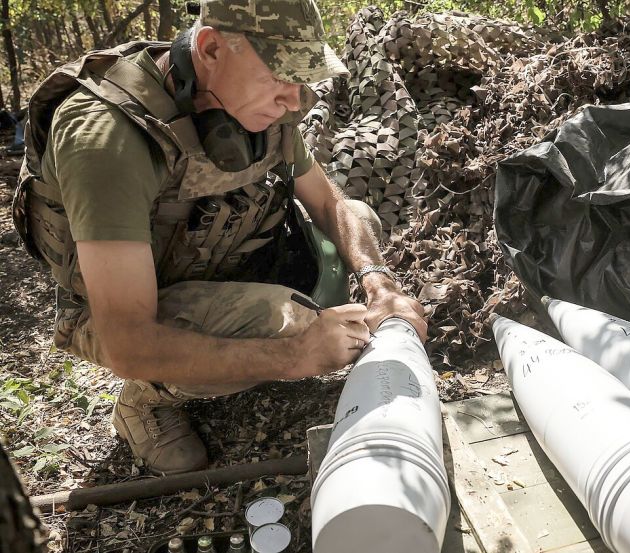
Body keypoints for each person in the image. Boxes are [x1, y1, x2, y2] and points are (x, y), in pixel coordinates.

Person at [12, 0, 427, 474]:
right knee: (286, 324)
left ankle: (243, 337)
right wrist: (293, 355)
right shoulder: (109, 136)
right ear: (210, 47)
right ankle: (143, 402)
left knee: (359, 216)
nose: (295, 101)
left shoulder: (264, 104)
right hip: (125, 309)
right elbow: (126, 337)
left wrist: (379, 283)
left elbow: (332, 204)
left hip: (221, 256)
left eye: (302, 78)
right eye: (280, 77)